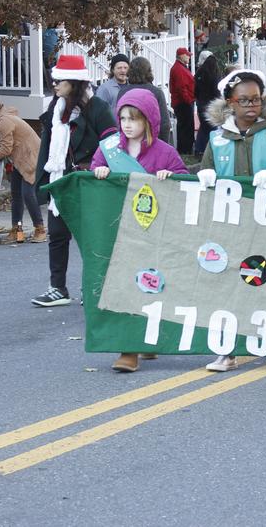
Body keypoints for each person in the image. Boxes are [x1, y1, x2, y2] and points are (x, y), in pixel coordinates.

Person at [197, 69, 266, 372]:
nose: (250, 105)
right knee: (229, 287)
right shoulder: (217, 140)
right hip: (230, 224)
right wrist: (204, 176)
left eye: (255, 99)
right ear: (230, 102)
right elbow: (205, 173)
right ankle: (226, 350)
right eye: (243, 100)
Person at [91, 88, 189, 373]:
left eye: (134, 118)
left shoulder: (165, 152)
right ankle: (128, 348)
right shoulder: (108, 147)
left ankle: (148, 337)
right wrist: (100, 172)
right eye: (123, 118)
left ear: (149, 120)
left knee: (153, 284)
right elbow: (95, 168)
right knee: (124, 287)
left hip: (155, 231)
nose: (127, 124)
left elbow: (185, 180)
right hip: (120, 229)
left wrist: (171, 177)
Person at [32, 55, 117, 307]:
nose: (54, 85)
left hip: (88, 181)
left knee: (89, 237)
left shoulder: (97, 108)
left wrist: (97, 168)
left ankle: (94, 287)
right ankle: (58, 288)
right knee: (57, 235)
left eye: (60, 80)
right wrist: (41, 181)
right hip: (61, 180)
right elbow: (47, 149)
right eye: (53, 80)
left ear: (75, 82)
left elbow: (112, 144)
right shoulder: (54, 109)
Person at [0, 93, 46, 243]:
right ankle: (17, 231)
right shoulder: (0, 119)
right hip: (19, 159)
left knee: (27, 194)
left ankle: (40, 229)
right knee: (16, 195)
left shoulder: (3, 121)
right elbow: (2, 146)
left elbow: (5, 149)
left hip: (30, 157)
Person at [116, 57, 171, 145]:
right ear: (149, 71)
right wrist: (163, 145)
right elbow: (164, 124)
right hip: (151, 142)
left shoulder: (123, 92)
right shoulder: (156, 92)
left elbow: (118, 120)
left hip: (129, 142)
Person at [193, 50, 221, 155]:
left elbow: (195, 90)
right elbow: (216, 90)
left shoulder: (199, 73)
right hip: (211, 104)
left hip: (201, 103)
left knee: (204, 127)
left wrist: (198, 98)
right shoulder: (214, 75)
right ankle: (212, 150)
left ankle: (199, 148)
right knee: (213, 128)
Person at [169, 47, 196, 153]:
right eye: (187, 55)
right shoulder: (179, 69)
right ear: (181, 56)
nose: (189, 57)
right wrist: (189, 100)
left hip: (183, 102)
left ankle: (185, 149)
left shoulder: (179, 67)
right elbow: (181, 88)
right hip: (183, 103)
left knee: (185, 126)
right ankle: (185, 150)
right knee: (186, 127)